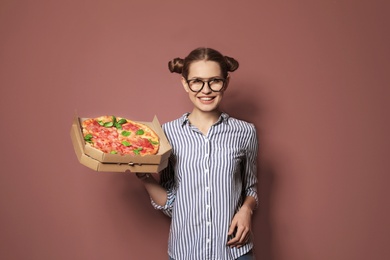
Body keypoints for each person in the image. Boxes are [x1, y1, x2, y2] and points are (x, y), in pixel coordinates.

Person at [136, 47, 259, 260]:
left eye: (215, 81)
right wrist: (141, 174)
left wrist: (246, 210)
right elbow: (172, 202)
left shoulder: (245, 131)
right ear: (185, 84)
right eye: (197, 81)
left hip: (234, 252)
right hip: (186, 252)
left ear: (226, 83)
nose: (206, 90)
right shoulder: (167, 134)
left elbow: (251, 187)